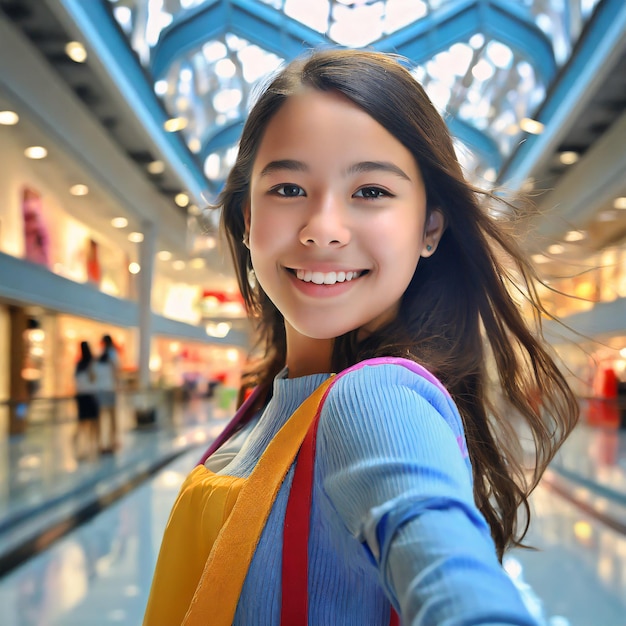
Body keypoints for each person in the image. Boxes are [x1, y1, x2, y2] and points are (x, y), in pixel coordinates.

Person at [143, 49, 579, 625]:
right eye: (288, 189)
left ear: (430, 226)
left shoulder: (375, 398)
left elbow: (452, 579)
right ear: (248, 220)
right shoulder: (270, 402)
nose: (322, 229)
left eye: (371, 191)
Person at [74, 341, 100, 460]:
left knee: (82, 423)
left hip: (81, 396)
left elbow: (76, 381)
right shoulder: (90, 364)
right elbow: (93, 378)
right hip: (89, 395)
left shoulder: (79, 365)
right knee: (93, 423)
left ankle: (81, 449)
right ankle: (91, 448)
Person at [95, 334, 120, 453]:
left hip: (100, 390)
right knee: (112, 417)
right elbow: (116, 371)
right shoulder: (112, 354)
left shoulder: (100, 357)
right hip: (109, 389)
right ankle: (112, 442)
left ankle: (101, 443)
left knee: (101, 418)